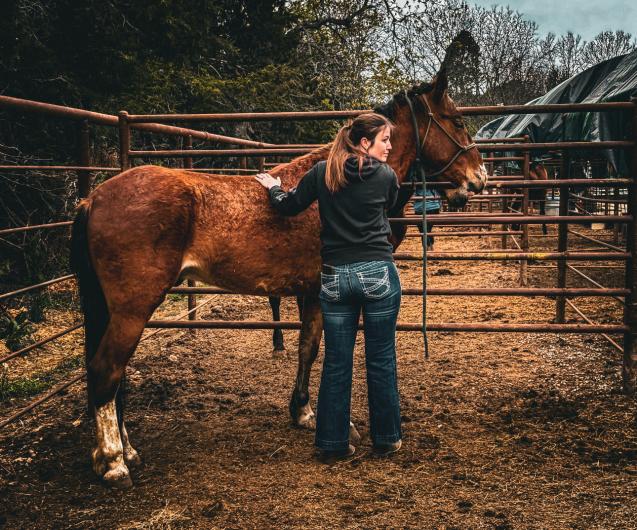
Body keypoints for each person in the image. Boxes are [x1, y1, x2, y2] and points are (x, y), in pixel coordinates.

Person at [254, 113, 403, 462]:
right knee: (381, 359)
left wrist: (273, 186)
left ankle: (332, 442)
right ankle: (387, 438)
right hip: (377, 273)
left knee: (337, 362)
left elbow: (288, 206)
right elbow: (390, 206)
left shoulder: (322, 173)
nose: (390, 146)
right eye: (384, 140)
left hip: (336, 276)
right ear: (365, 143)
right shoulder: (386, 176)